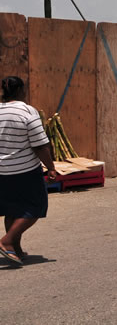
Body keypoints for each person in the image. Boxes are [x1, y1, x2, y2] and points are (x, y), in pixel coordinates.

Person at [0, 76, 57, 267]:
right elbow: (40, 145)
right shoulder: (27, 111)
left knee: (11, 209)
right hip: (24, 171)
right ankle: (7, 241)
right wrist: (51, 167)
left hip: (2, 172)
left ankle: (14, 249)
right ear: (21, 91)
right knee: (36, 207)